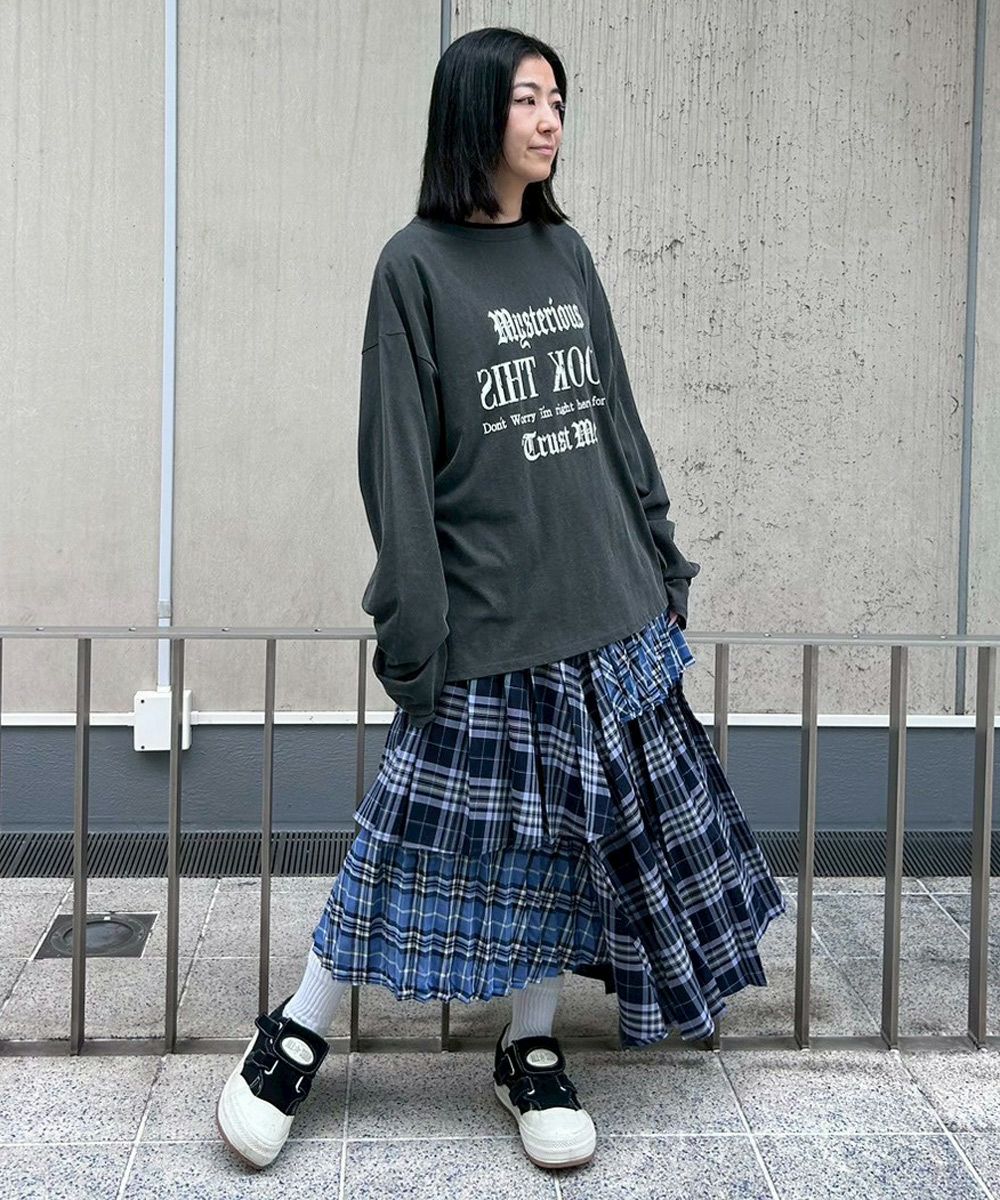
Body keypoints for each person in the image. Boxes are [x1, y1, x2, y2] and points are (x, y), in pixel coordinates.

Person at [216, 25, 787, 1174]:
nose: (549, 118)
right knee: (405, 836)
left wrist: (662, 558)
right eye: (528, 98)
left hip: (605, 605)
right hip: (485, 616)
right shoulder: (413, 267)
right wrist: (413, 623)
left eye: (558, 100)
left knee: (561, 849)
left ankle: (529, 1050)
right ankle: (296, 1033)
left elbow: (615, 420)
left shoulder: (564, 255)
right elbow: (395, 463)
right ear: (473, 111)